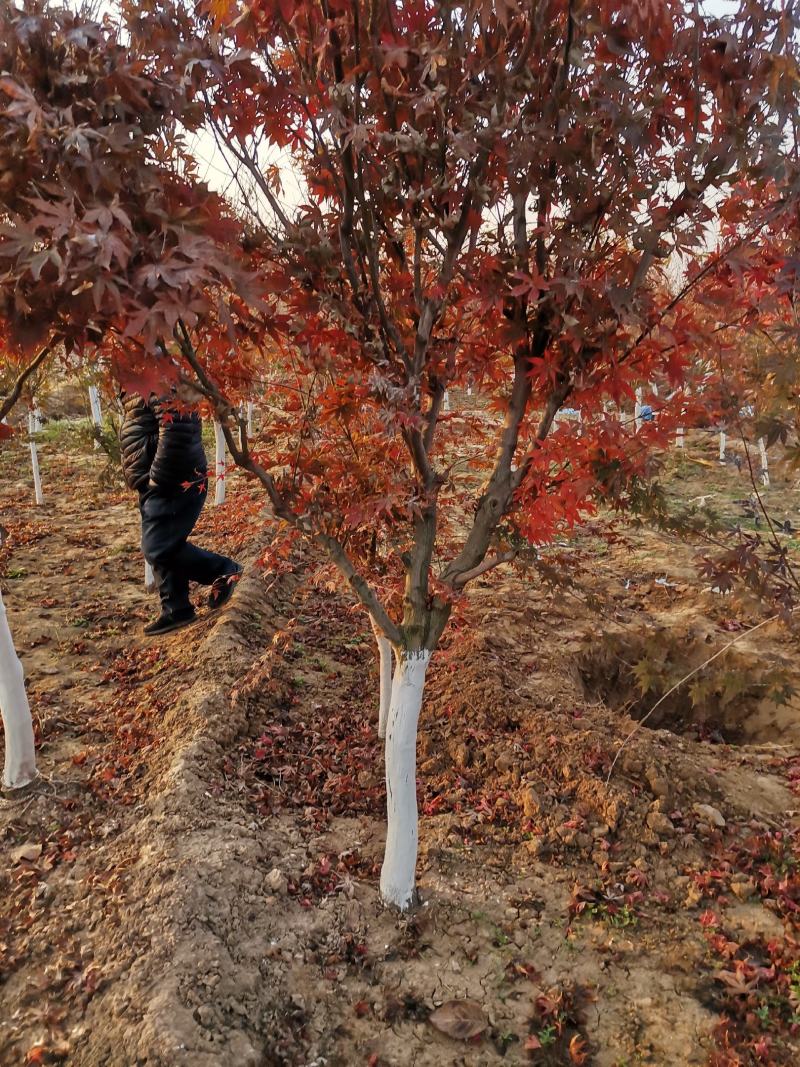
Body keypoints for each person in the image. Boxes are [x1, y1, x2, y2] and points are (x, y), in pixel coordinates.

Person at [120, 390, 242, 636]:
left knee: (157, 546)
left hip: (173, 476)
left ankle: (223, 570)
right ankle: (176, 609)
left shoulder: (158, 374)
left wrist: (158, 477)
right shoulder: (133, 377)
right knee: (164, 543)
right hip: (154, 477)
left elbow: (177, 426)